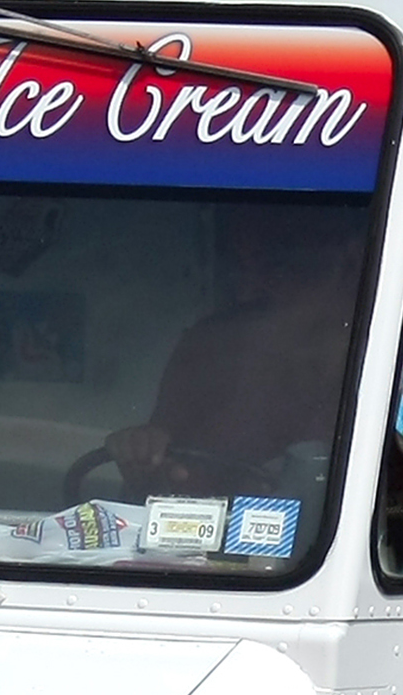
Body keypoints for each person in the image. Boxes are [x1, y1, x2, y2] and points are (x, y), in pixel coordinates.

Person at [80, 203, 358, 497]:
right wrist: (141, 457)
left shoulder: (392, 361)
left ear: (352, 263)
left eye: (284, 268)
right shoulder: (209, 347)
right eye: (244, 268)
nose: (251, 290)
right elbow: (161, 481)